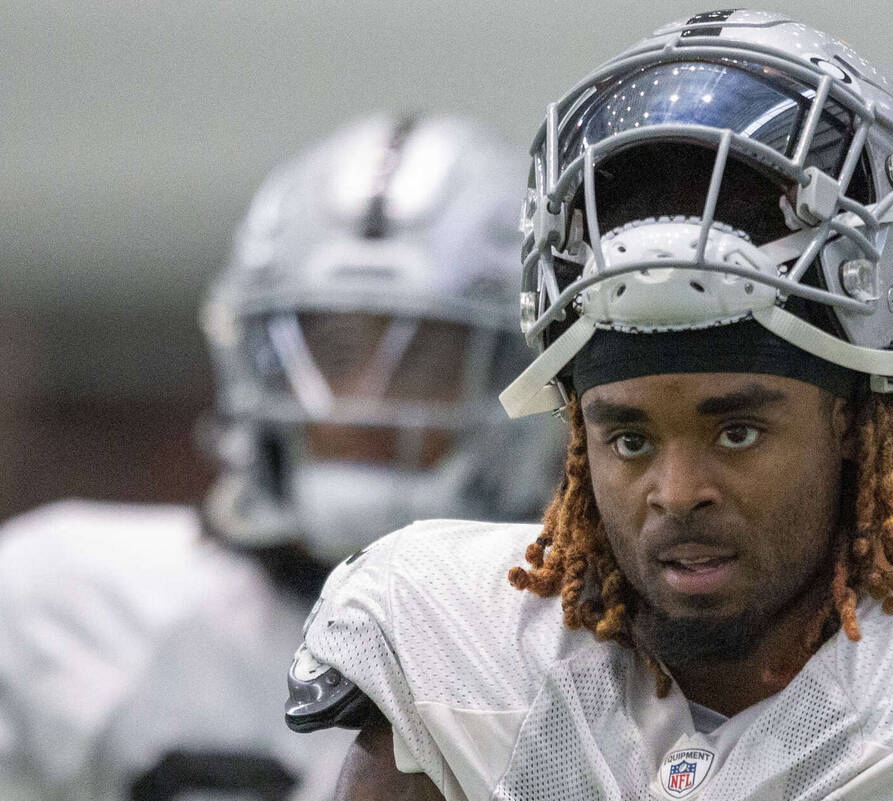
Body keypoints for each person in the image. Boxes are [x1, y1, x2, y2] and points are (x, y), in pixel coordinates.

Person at [287, 12, 893, 801]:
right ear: (575, 435)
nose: (678, 491)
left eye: (737, 429)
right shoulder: (447, 643)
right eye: (632, 435)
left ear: (854, 421)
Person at [0, 114, 561, 801]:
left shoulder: (595, 647)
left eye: (422, 358)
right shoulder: (62, 604)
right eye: (330, 352)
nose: (359, 401)